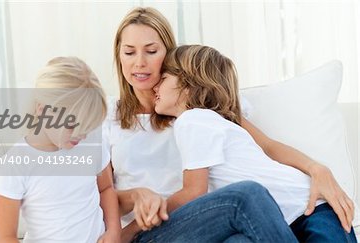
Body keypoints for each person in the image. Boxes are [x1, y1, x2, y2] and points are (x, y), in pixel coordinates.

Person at [108, 7, 354, 242]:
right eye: (129, 52)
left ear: (171, 56)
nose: (139, 62)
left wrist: (316, 168)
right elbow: (90, 192)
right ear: (118, 56)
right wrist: (135, 199)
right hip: (159, 227)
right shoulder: (105, 115)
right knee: (248, 195)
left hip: (219, 222)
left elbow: (265, 146)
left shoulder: (202, 111)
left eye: (151, 51)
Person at [153, 44, 357, 242]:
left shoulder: (192, 120)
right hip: (281, 218)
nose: (155, 86)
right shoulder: (214, 121)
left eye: (163, 78)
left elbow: (194, 190)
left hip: (310, 205)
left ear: (188, 85)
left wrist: (317, 169)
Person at [0, 57, 121, 242]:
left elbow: (106, 188)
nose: (82, 135)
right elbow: (5, 236)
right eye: (74, 126)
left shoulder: (91, 141)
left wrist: (114, 231)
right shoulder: (16, 164)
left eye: (88, 126)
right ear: (42, 109)